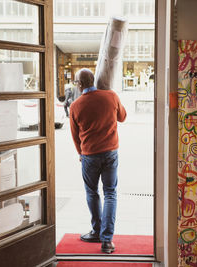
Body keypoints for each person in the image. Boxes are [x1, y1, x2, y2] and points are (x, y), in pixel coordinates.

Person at [69, 68, 127, 254]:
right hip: (110, 152)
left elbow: (75, 136)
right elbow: (123, 117)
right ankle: (107, 240)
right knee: (110, 193)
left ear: (79, 84)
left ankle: (96, 231)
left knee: (92, 192)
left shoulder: (75, 106)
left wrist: (81, 153)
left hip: (90, 155)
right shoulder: (110, 96)